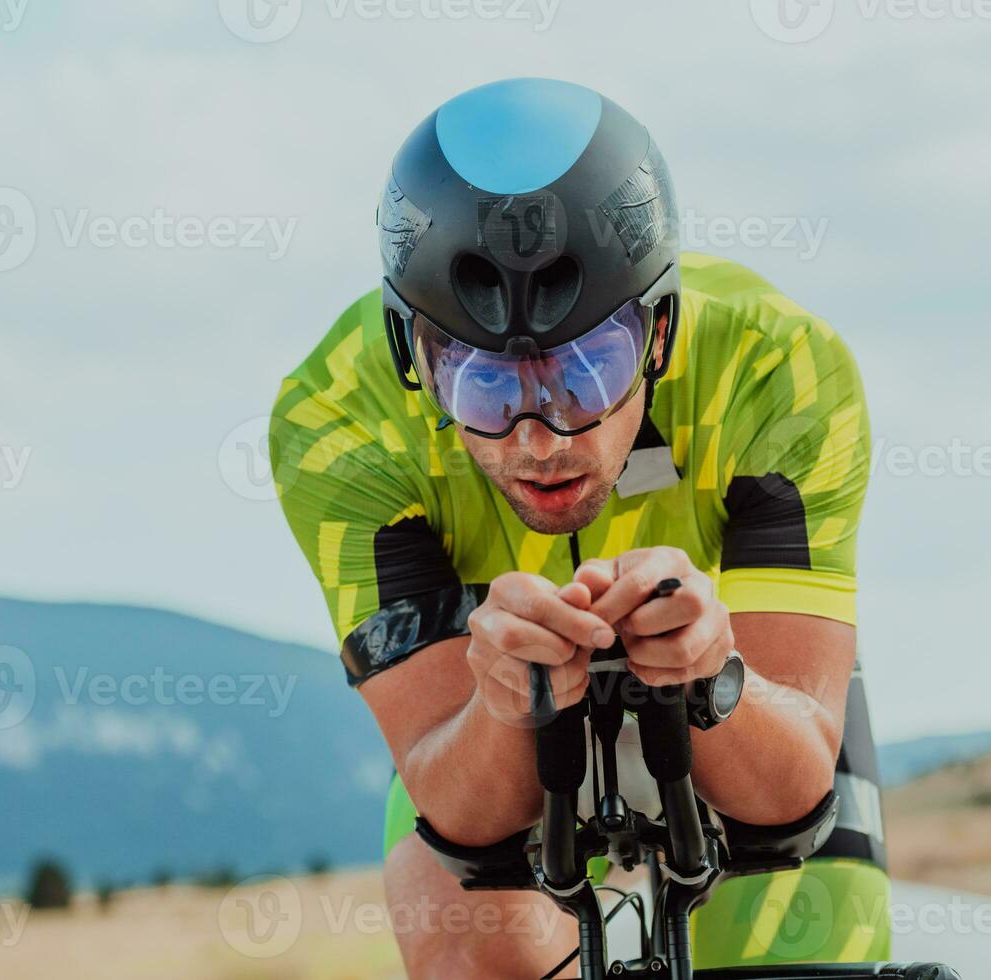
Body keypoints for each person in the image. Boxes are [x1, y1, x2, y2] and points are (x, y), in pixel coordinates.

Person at [271, 77, 889, 977]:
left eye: (591, 371)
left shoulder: (778, 366)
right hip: (488, 702)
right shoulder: (336, 419)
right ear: (414, 357)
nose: (541, 437)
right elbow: (461, 812)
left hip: (738, 671)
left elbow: (791, 789)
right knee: (477, 960)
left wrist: (716, 673)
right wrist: (498, 703)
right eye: (483, 384)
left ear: (661, 327)